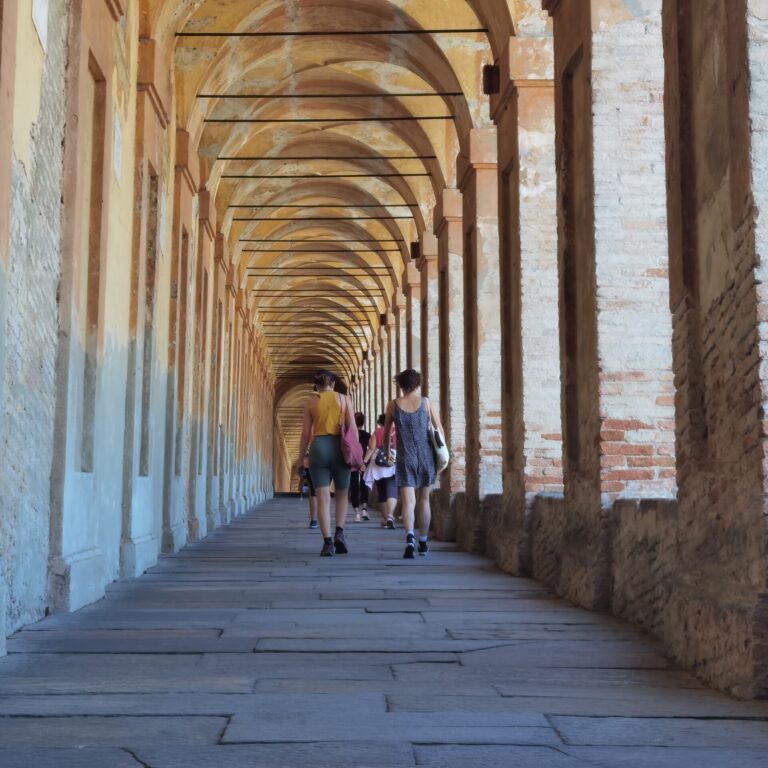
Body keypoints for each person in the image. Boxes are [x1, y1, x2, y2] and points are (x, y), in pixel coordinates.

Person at [383, 369, 446, 559]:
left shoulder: (393, 405)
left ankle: (410, 538)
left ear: (400, 385)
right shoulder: (426, 403)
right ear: (418, 384)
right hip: (426, 456)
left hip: (405, 457)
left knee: (409, 501)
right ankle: (423, 542)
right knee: (424, 500)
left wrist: (387, 454)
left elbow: (386, 434)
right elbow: (439, 429)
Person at [297, 370, 356, 556]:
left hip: (319, 448)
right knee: (342, 495)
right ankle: (339, 532)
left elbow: (306, 434)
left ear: (317, 385)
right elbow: (353, 429)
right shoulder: (344, 399)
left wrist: (301, 459)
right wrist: (355, 453)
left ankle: (327, 543)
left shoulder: (311, 402)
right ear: (333, 384)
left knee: (322, 498)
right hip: (340, 447)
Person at [363, 414, 398, 529]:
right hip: (393, 462)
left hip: (378, 464)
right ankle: (390, 516)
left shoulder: (378, 432)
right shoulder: (397, 431)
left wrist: (364, 462)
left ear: (380, 422)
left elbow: (372, 448)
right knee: (392, 489)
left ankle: (386, 520)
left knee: (382, 492)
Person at [351, 412, 371, 522]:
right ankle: (364, 509)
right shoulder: (367, 435)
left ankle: (357, 513)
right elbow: (372, 448)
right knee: (364, 485)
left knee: (354, 487)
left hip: (352, 463)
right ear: (363, 423)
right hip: (364, 462)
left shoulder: (350, 434)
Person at [302, 453, 318, 528]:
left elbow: (304, 450)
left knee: (313, 493)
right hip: (326, 463)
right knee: (321, 491)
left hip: (310, 463)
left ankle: (313, 520)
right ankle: (321, 518)